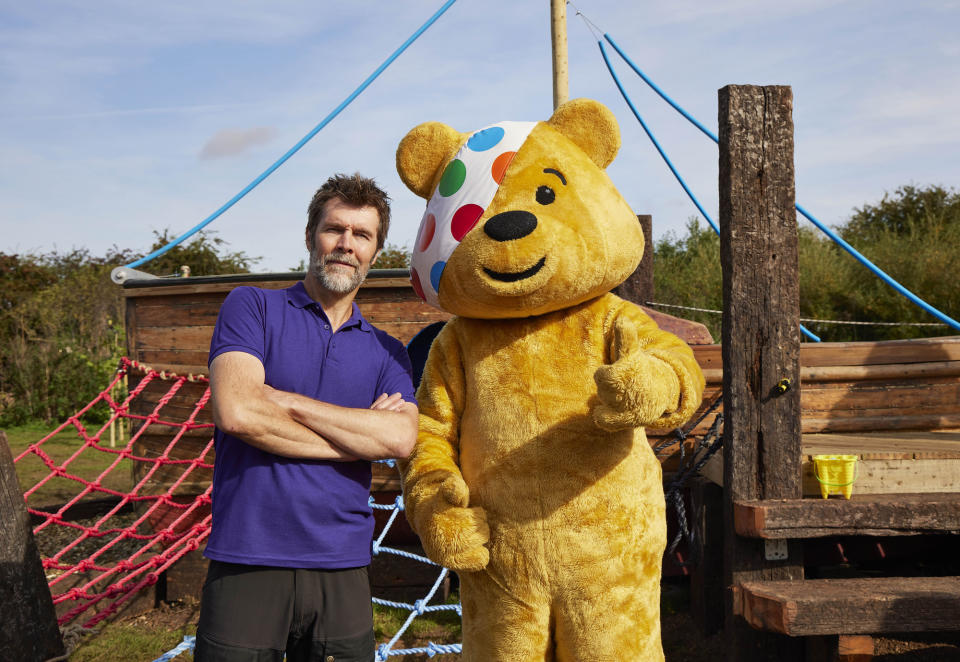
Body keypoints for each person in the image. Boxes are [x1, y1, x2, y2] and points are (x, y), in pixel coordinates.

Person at [194, 173, 419, 662]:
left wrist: (287, 400)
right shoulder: (251, 306)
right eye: (334, 229)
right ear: (309, 235)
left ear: (376, 253)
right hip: (248, 557)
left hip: (342, 563)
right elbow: (237, 412)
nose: (346, 244)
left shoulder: (388, 353)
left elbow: (401, 438)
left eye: (362, 235)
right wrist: (360, 434)